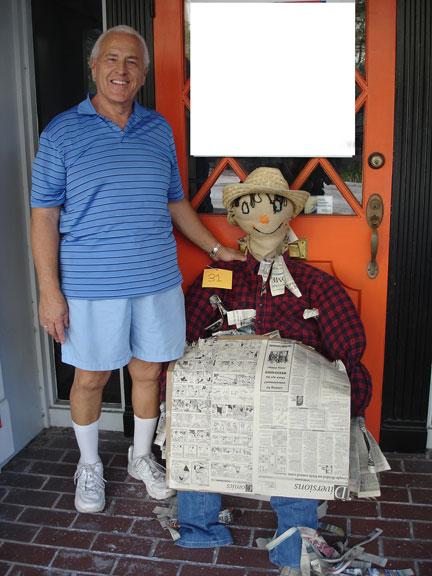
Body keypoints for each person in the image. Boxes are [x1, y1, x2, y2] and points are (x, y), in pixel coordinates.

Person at [30, 25, 245, 514]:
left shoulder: (159, 129)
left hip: (155, 279)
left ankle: (141, 457)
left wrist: (215, 249)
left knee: (149, 371)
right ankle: (88, 466)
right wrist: (49, 291)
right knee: (90, 378)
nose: (120, 71)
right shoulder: (61, 132)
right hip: (90, 285)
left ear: (144, 73)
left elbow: (175, 202)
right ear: (93, 66)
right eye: (111, 59)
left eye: (131, 62)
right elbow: (42, 214)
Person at [173, 167, 372, 576]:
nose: (263, 216)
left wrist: (346, 382)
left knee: (299, 415)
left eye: (274, 206)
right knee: (190, 396)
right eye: (251, 207)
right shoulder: (219, 278)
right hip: (227, 386)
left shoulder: (312, 282)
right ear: (237, 218)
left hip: (286, 392)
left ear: (288, 215)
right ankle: (198, 524)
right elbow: (188, 332)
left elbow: (347, 339)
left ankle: (293, 543)